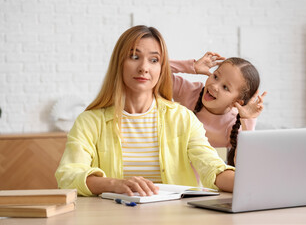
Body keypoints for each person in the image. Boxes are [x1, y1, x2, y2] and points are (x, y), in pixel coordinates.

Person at [55, 25, 235, 197]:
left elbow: (212, 167)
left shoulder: (183, 118)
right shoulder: (90, 121)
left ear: (161, 68)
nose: (144, 68)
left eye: (154, 60)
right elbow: (68, 176)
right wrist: (115, 184)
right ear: (119, 63)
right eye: (134, 57)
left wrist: (251, 184)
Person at [170, 52, 266, 166]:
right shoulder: (190, 93)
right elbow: (153, 71)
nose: (214, 86)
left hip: (198, 178)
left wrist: (248, 120)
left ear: (236, 102)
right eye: (215, 76)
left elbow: (246, 164)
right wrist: (192, 67)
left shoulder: (233, 123)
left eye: (225, 87)